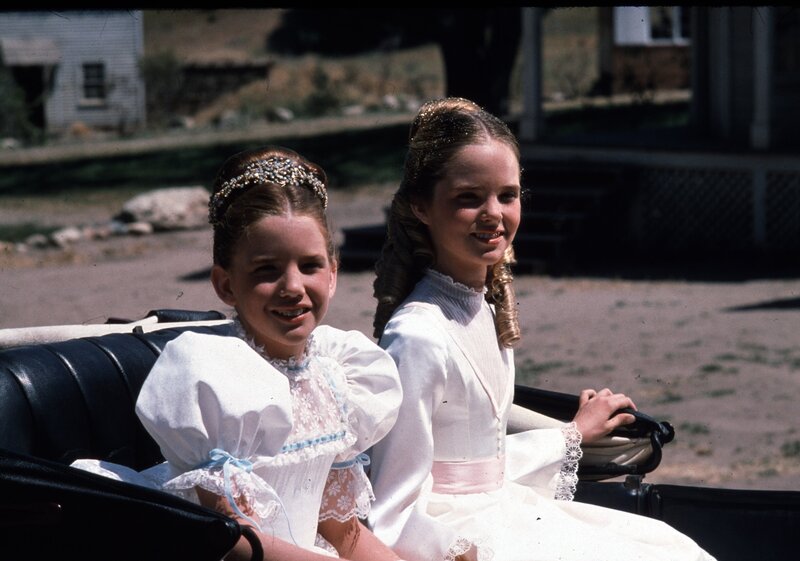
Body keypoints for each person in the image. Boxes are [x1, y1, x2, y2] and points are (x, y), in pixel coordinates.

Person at [366, 97, 716, 561]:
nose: (493, 214)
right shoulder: (417, 335)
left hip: (502, 508)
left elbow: (483, 464)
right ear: (421, 207)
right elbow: (393, 506)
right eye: (468, 198)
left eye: (507, 196)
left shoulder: (482, 309)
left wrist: (572, 434)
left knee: (671, 548)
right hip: (458, 536)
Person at [72, 146, 405, 561]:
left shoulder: (338, 377)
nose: (293, 287)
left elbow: (343, 531)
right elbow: (235, 540)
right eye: (267, 269)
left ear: (333, 275)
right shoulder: (215, 377)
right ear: (226, 284)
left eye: (310, 266)